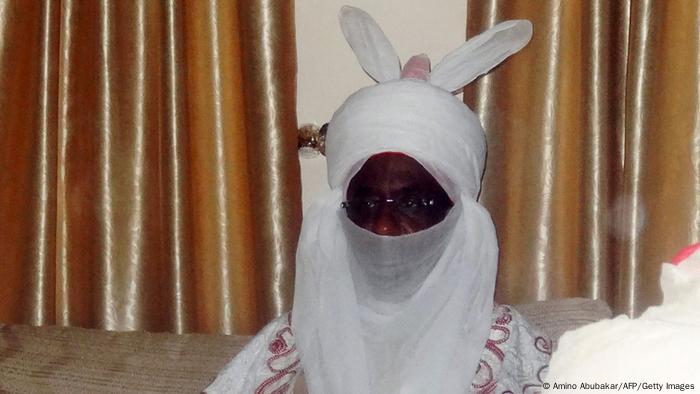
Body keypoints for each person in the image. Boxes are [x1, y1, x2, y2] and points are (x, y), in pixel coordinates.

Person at [205, 6, 549, 394]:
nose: (383, 227)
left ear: (461, 216)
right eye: (366, 204)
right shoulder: (291, 343)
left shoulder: (506, 345)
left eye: (414, 204)